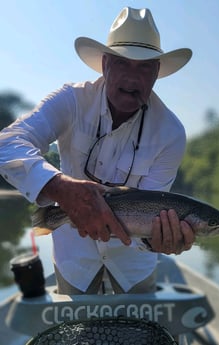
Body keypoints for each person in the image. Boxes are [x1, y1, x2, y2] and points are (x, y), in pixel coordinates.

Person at [0, 7, 195, 294]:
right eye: (122, 64)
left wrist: (161, 240)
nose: (133, 78)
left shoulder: (171, 133)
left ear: (157, 73)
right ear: (105, 64)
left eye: (145, 67)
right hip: (73, 263)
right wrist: (60, 188)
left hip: (134, 269)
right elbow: (7, 143)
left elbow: (154, 211)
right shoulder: (71, 100)